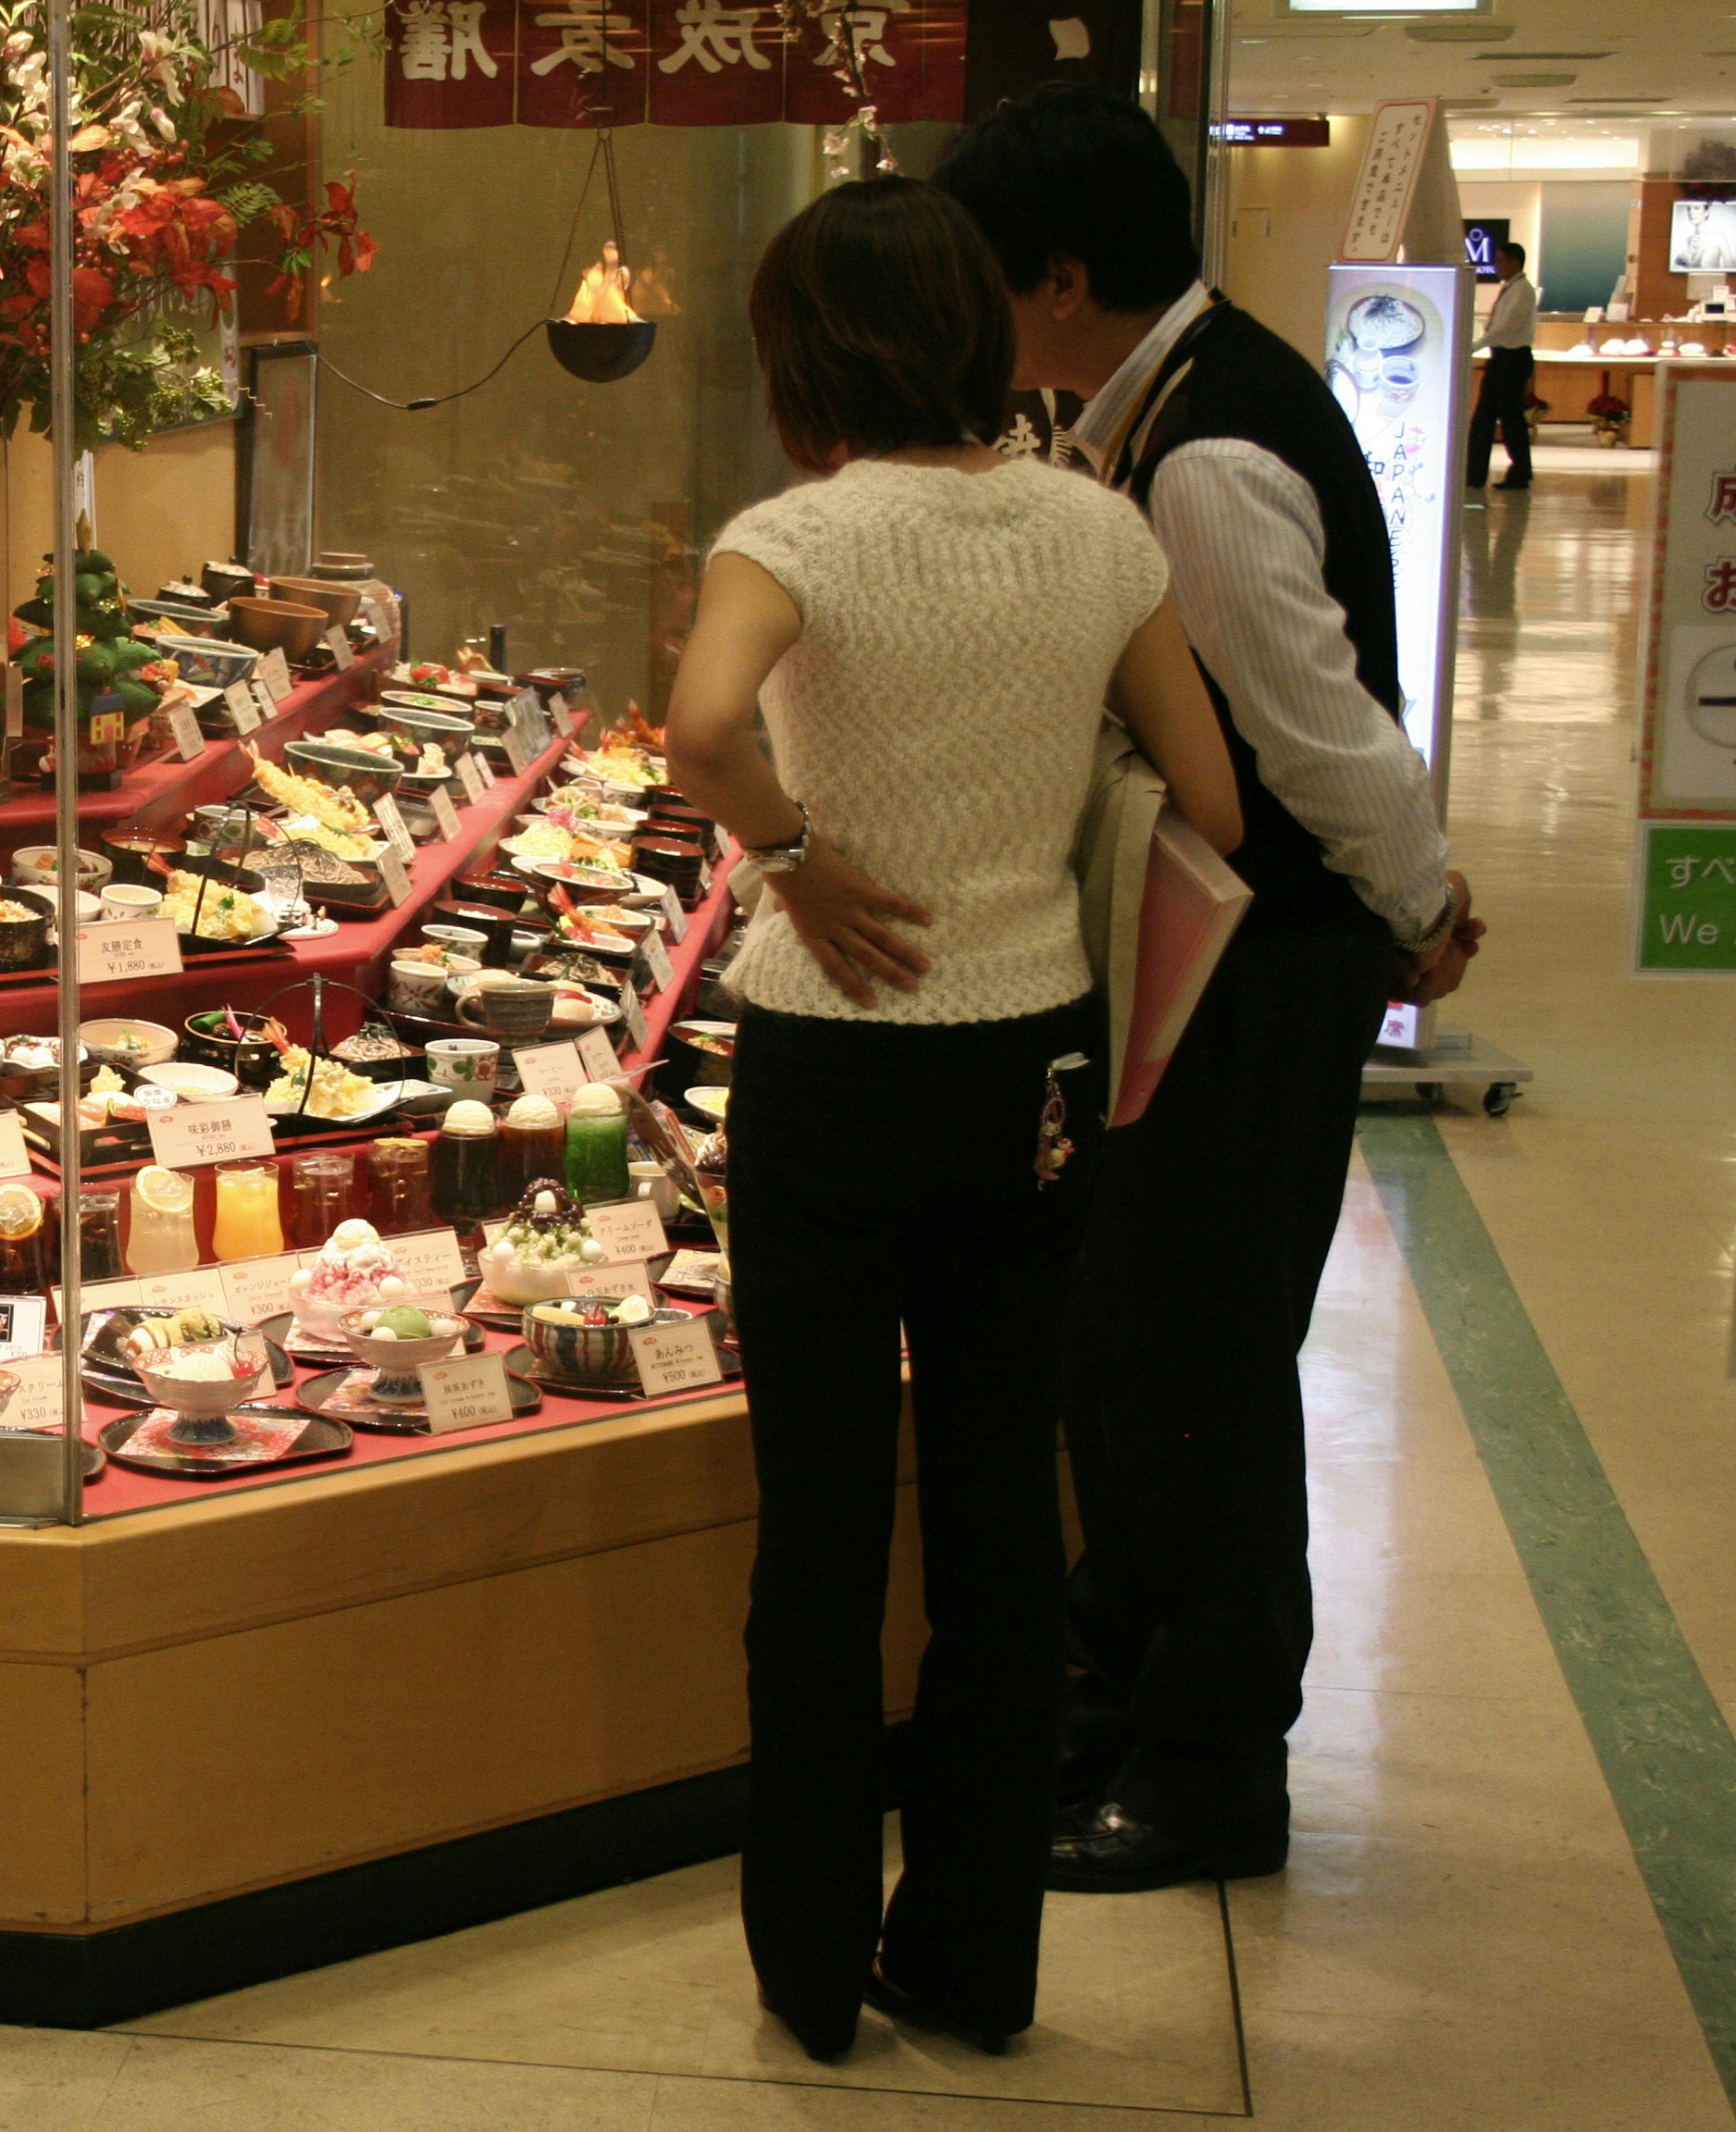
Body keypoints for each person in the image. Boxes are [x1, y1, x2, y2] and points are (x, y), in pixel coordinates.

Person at [663, 176, 1242, 2063]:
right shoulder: (1096, 531)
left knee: (821, 1524)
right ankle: (978, 1962)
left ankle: (813, 1963)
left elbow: (700, 729)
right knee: (1001, 1525)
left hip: (831, 1055)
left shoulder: (791, 536)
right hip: (1032, 1063)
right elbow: (1214, 800)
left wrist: (798, 858)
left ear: (805, 353)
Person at [935, 85, 1486, 1898]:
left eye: (983, 277)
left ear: (1060, 279)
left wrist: (1419, 902)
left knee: (1202, 1357)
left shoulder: (1207, 454)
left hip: (1254, 962)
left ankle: (1212, 1763)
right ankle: (1119, 1687)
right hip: (1207, 948)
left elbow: (1321, 733)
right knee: (1132, 1335)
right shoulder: (1157, 404)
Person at [1468, 239, 1541, 491]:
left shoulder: (1522, 291)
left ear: (1515, 262)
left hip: (1513, 359)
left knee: (1510, 420)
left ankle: (1520, 473)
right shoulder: (1511, 288)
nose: (1496, 265)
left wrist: (1476, 345)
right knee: (1484, 418)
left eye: (1500, 261)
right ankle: (1474, 473)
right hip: (1501, 359)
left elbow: (1506, 327)